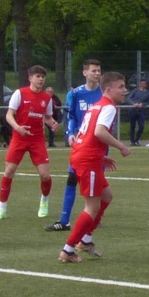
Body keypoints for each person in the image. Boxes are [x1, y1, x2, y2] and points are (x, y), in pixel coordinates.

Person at [58, 72, 130, 263]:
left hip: (85, 155)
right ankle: (68, 250)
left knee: (107, 196)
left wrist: (100, 155)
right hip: (87, 160)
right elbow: (99, 132)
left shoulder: (96, 106)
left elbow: (88, 133)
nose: (125, 90)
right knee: (92, 207)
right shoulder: (108, 107)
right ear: (108, 89)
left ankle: (86, 240)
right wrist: (121, 146)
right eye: (121, 87)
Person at [0, 64, 57, 220]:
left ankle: (44, 202)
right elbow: (9, 115)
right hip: (19, 138)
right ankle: (2, 209)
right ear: (30, 78)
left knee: (44, 175)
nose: (41, 79)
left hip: (37, 139)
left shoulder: (46, 98)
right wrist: (17, 127)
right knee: (9, 171)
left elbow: (47, 117)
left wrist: (53, 124)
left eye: (43, 77)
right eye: (38, 76)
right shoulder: (20, 93)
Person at [52, 59, 105, 231]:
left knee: (97, 183)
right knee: (72, 178)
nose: (97, 73)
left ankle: (93, 217)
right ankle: (64, 220)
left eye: (99, 70)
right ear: (85, 73)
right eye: (94, 70)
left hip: (97, 145)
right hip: (81, 145)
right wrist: (70, 133)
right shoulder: (76, 94)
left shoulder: (104, 94)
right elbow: (72, 116)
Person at [125, 78, 149, 145]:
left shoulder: (147, 93)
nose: (143, 85)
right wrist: (133, 104)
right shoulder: (135, 91)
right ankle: (132, 141)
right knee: (132, 126)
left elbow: (148, 102)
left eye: (144, 83)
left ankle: (137, 139)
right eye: (141, 83)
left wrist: (142, 104)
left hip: (141, 111)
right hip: (133, 110)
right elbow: (128, 98)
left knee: (141, 126)